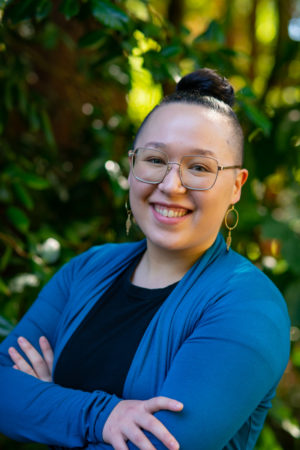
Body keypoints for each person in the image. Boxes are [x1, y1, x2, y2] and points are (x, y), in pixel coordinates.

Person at [0, 68, 290, 450]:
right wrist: (102, 416)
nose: (171, 186)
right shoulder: (88, 269)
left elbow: (158, 445)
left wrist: (44, 405)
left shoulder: (250, 306)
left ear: (236, 186)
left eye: (199, 168)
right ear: (133, 166)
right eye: (155, 160)